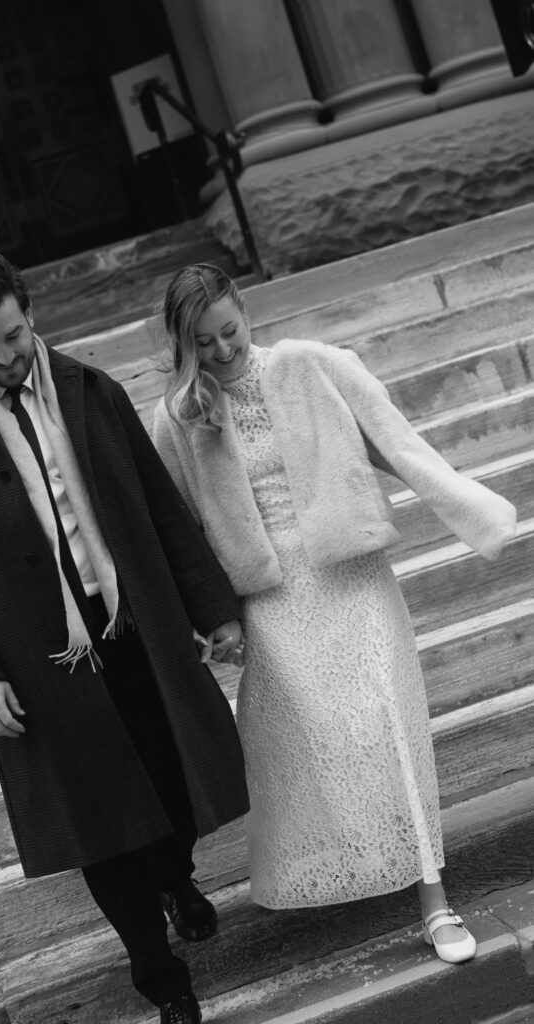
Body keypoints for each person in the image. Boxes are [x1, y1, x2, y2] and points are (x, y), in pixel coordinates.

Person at [0, 246, 250, 1024]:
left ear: (31, 315)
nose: (5, 357)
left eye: (13, 336)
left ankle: (175, 877)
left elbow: (159, 504)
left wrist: (211, 606)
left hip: (135, 625)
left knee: (173, 784)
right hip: (40, 658)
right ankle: (157, 972)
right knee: (101, 823)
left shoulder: (92, 390)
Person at [153, 263, 517, 965]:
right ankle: (350, 865)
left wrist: (471, 509)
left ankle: (434, 900)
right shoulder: (177, 418)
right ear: (183, 344)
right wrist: (209, 618)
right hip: (270, 598)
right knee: (306, 740)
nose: (223, 350)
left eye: (230, 331)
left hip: (353, 579)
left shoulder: (312, 364)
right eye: (204, 342)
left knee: (390, 726)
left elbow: (396, 443)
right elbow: (181, 533)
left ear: (244, 310)